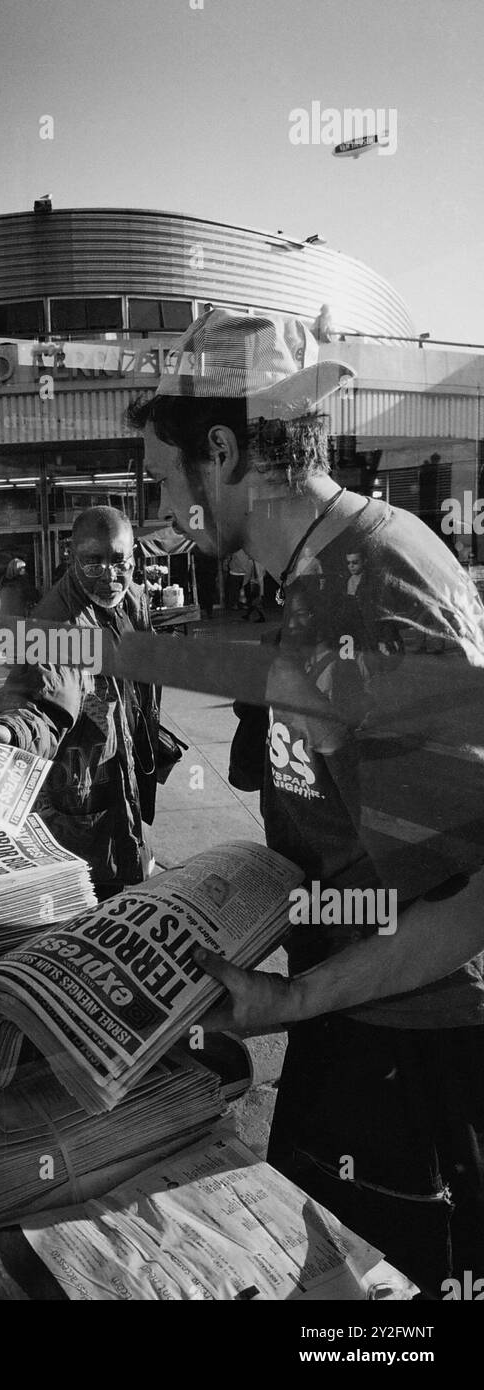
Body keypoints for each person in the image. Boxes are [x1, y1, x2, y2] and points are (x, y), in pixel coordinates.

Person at [128, 306, 484, 1294]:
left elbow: (466, 905)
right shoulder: (322, 574)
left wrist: (286, 1000)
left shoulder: (365, 593)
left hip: (412, 1051)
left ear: (223, 449)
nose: (163, 512)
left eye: (165, 482)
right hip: (355, 1021)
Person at [0, 506, 161, 899]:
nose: (109, 577)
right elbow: (40, 701)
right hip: (84, 808)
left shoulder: (133, 600)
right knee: (97, 899)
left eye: (118, 562)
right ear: (70, 557)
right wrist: (10, 731)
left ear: (133, 559)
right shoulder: (60, 624)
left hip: (119, 778)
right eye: (93, 563)